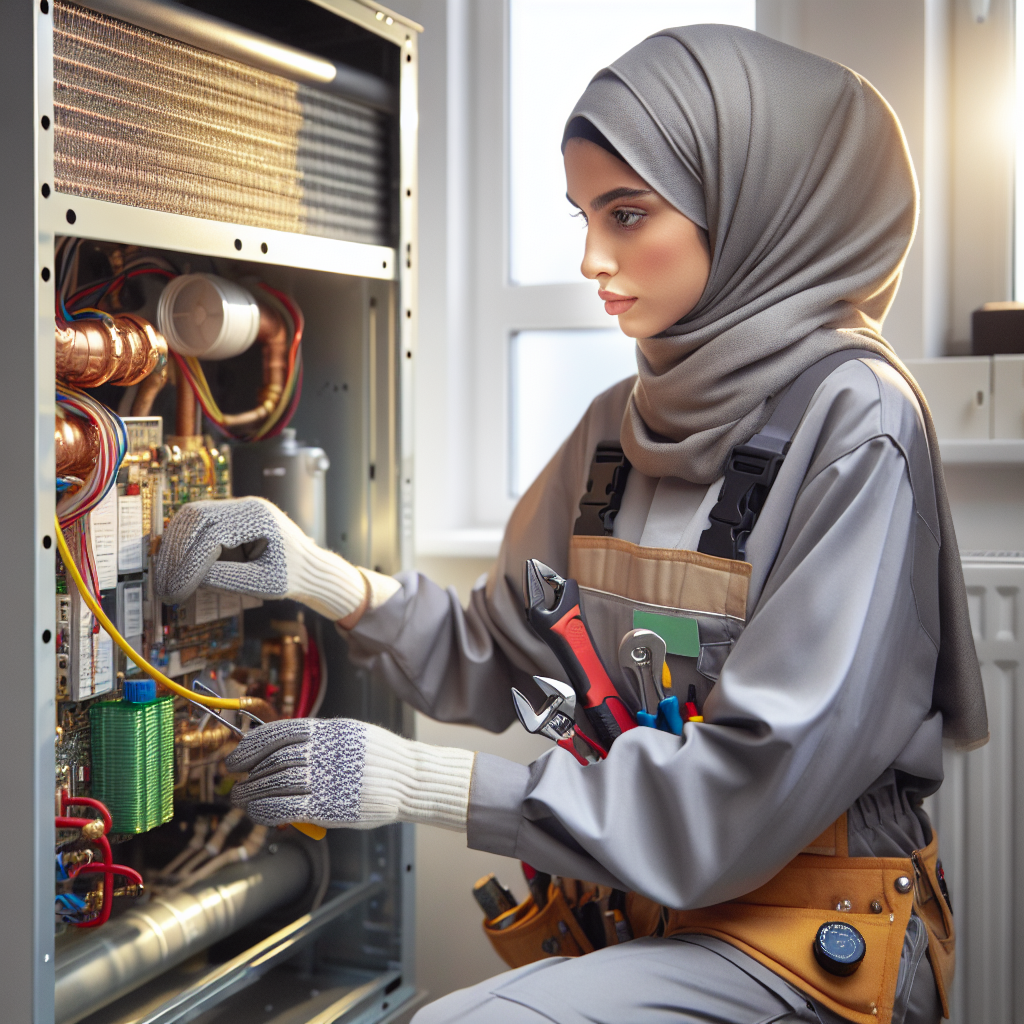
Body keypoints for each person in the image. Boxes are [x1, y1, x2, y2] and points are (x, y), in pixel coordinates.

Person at [154, 25, 988, 1024]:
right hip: (650, 920)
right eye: (584, 215)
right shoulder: (616, 428)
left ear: (753, 208)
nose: (594, 257)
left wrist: (428, 783)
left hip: (810, 936)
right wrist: (325, 576)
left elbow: (753, 788)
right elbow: (504, 654)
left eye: (628, 214)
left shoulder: (858, 420)